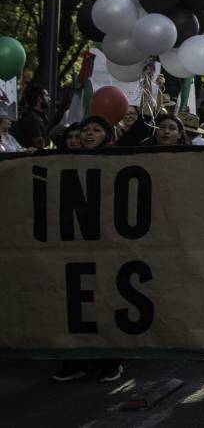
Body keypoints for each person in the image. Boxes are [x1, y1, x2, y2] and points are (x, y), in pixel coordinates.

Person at [52, 116, 124, 383]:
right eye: (86, 130)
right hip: (73, 244)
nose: (89, 134)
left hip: (106, 243)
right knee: (73, 304)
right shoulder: (62, 162)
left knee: (106, 301)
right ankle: (75, 361)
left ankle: (111, 361)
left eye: (97, 130)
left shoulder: (118, 159)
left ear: (107, 136)